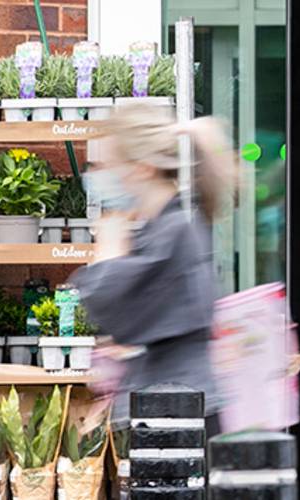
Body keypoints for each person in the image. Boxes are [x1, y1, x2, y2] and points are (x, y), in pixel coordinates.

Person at [70, 102, 237, 431]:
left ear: (142, 168)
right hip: (176, 404)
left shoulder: (173, 230)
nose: (100, 175)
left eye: (107, 164)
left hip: (180, 411)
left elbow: (108, 301)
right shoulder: (165, 226)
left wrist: (109, 249)